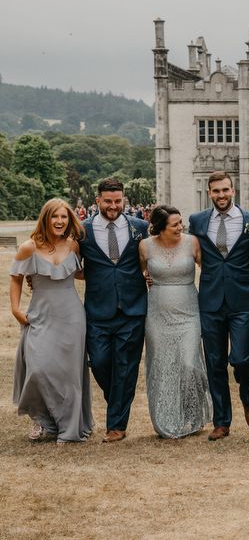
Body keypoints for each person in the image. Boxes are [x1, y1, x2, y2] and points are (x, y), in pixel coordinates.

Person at [10, 199, 93, 443]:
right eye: (55, 217)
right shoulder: (29, 247)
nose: (59, 221)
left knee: (69, 375)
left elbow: (79, 272)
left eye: (64, 217)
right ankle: (44, 420)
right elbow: (16, 278)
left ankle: (67, 427)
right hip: (41, 314)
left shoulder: (74, 246)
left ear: (70, 220)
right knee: (38, 368)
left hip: (72, 316)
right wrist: (16, 310)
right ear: (45, 219)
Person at [187, 171, 249, 441]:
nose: (221, 195)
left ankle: (247, 395)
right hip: (210, 300)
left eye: (225, 190)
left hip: (242, 300)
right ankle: (222, 421)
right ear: (209, 193)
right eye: (216, 191)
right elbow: (193, 253)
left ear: (233, 190)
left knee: (242, 358)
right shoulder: (196, 221)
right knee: (215, 362)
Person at [78, 177, 149, 443]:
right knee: (98, 362)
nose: (113, 206)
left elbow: (148, 258)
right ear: (98, 200)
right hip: (97, 310)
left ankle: (116, 425)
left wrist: (149, 274)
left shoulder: (140, 227)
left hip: (132, 310)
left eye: (118, 201)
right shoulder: (83, 230)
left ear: (124, 201)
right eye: (108, 201)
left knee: (126, 367)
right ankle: (117, 400)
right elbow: (69, 261)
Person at [139, 205, 212, 439]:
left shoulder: (192, 243)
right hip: (157, 314)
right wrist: (146, 277)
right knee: (163, 366)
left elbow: (209, 270)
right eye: (175, 224)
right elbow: (142, 271)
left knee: (189, 363)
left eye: (181, 223)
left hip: (189, 312)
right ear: (160, 227)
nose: (181, 227)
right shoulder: (145, 246)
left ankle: (193, 417)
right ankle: (166, 419)